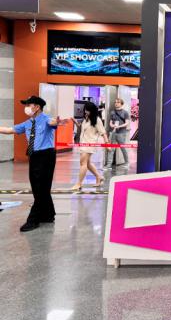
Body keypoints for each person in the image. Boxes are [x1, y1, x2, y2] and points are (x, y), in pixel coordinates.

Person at [0, 96, 63, 232]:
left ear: (37, 107)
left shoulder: (46, 119)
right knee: (37, 187)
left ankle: (33, 220)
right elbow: (9, 130)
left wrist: (57, 122)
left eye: (29, 105)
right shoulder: (28, 123)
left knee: (41, 188)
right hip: (34, 156)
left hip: (46, 156)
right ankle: (48, 215)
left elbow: (53, 122)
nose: (26, 108)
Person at [72, 102, 108, 192]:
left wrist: (107, 143)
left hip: (90, 144)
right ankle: (99, 177)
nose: (86, 111)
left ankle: (79, 183)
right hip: (83, 143)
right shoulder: (86, 118)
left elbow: (103, 132)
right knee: (87, 164)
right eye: (85, 109)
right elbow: (82, 129)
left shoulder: (97, 120)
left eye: (87, 110)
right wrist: (76, 123)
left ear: (92, 110)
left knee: (82, 163)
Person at [105, 98, 130, 169]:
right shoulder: (112, 112)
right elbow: (110, 122)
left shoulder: (125, 112)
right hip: (113, 133)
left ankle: (127, 162)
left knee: (123, 148)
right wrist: (112, 125)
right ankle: (109, 165)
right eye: (115, 102)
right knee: (111, 149)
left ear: (121, 104)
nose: (116, 103)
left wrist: (119, 126)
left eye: (118, 102)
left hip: (121, 133)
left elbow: (127, 123)